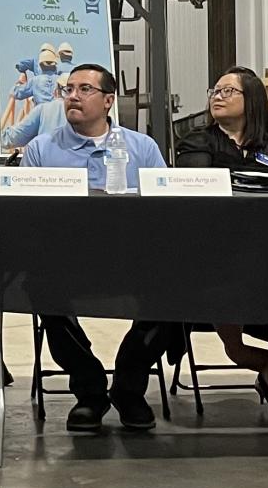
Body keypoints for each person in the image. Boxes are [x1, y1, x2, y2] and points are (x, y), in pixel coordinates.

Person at [21, 63, 170, 432]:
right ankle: (89, 391)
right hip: (65, 265)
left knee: (178, 288)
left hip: (133, 263)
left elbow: (168, 212)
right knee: (40, 285)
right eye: (68, 89)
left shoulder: (142, 148)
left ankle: (129, 386)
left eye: (85, 89)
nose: (72, 95)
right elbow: (24, 219)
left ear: (108, 101)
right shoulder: (40, 150)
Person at [176, 66, 268, 419]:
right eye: (215, 90)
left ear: (253, 101)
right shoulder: (197, 141)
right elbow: (199, 191)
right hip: (214, 254)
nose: (218, 96)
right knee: (236, 341)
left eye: (228, 91)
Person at [1, 73, 68, 149]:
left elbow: (12, 138)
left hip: (45, 154)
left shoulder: (43, 110)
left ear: (55, 91)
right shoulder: (82, 111)